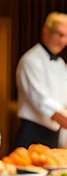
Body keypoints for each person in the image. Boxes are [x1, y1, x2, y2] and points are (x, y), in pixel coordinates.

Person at [15, 12, 67, 149]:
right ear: (46, 31)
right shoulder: (30, 60)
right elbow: (41, 101)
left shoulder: (61, 63)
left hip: (54, 134)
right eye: (60, 34)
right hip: (32, 132)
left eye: (66, 36)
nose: (63, 41)